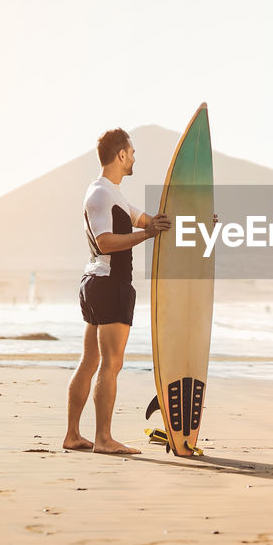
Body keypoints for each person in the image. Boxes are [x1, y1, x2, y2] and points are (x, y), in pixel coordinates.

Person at [64, 128, 171, 454]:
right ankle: (104, 439)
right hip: (109, 284)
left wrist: (198, 221)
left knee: (91, 360)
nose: (135, 157)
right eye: (132, 152)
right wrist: (146, 236)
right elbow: (105, 241)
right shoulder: (100, 194)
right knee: (111, 364)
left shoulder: (113, 194)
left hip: (98, 283)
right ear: (120, 155)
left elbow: (150, 222)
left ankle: (73, 435)